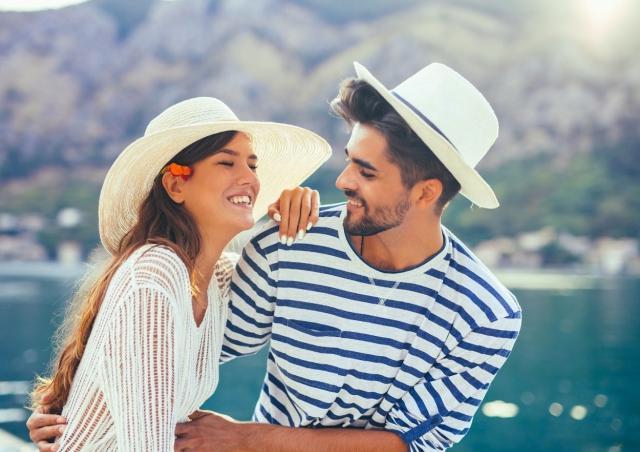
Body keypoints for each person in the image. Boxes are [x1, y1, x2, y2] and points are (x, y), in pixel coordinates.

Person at [30, 62, 522, 451]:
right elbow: (162, 340)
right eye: (349, 160)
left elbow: (416, 443)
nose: (342, 181)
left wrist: (245, 440)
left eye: (366, 172)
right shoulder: (291, 241)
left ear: (425, 193)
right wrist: (69, 407)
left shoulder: (486, 314)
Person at [27, 96, 331, 451]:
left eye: (252, 165)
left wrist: (302, 211)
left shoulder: (215, 280)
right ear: (175, 186)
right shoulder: (156, 273)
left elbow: (284, 274)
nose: (250, 178)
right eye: (226, 162)